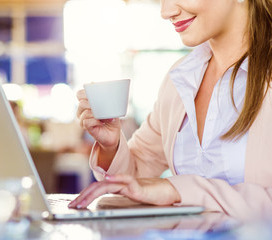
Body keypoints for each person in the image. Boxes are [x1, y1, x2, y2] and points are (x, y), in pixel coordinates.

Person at [69, 0, 272, 221]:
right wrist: (111, 145)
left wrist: (177, 190)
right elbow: (137, 178)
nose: (166, 12)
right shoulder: (182, 77)